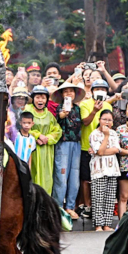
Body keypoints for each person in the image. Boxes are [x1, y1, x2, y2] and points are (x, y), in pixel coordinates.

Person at [79, 79, 114, 218]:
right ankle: (88, 206)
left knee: (101, 177)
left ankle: (98, 206)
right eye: (97, 88)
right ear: (92, 91)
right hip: (86, 147)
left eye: (104, 89)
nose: (100, 91)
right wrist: (94, 110)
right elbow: (85, 122)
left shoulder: (108, 106)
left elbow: (109, 125)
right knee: (86, 178)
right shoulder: (85, 104)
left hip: (104, 148)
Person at [52, 82, 85, 219]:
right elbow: (54, 123)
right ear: (62, 94)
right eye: (66, 92)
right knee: (61, 175)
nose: (69, 94)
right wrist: (61, 116)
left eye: (71, 91)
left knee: (74, 176)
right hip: (63, 143)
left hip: (76, 144)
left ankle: (70, 206)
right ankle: (58, 207)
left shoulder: (77, 108)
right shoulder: (58, 108)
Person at [24, 86, 62, 193]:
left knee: (47, 177)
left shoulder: (49, 115)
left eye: (43, 98)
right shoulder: (27, 111)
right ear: (33, 99)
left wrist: (47, 138)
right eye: (38, 97)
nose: (40, 100)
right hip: (31, 150)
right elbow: (22, 126)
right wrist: (37, 136)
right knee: (32, 175)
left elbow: (57, 130)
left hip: (47, 151)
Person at [89, 110, 120, 232]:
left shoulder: (114, 133)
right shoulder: (94, 134)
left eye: (109, 120)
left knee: (110, 197)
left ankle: (107, 224)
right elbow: (100, 152)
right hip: (99, 170)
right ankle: (98, 225)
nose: (107, 122)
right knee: (98, 197)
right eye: (104, 119)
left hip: (112, 169)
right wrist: (106, 137)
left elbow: (116, 149)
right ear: (99, 120)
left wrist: (102, 151)